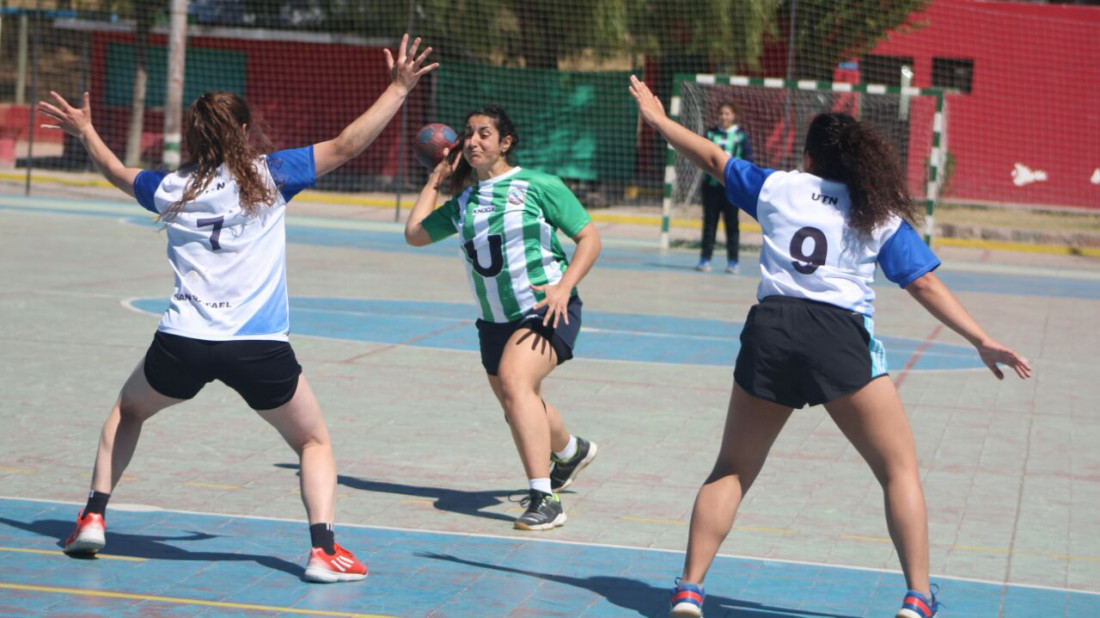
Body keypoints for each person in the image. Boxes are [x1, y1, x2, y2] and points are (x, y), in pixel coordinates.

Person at [38, 34, 437, 583]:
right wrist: (398, 88)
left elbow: (115, 172)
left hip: (183, 342)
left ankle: (93, 518)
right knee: (312, 441)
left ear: (195, 137)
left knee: (128, 412)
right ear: (245, 132)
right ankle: (323, 551)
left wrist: (85, 131)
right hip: (257, 346)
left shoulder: (170, 187)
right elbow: (347, 144)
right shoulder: (273, 176)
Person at [629, 75, 1031, 618]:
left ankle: (689, 591)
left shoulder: (779, 187)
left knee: (731, 468)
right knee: (898, 471)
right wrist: (981, 339)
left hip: (771, 331)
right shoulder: (876, 212)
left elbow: (711, 156)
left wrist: (658, 121)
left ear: (811, 156)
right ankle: (917, 598)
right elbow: (924, 283)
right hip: (838, 337)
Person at [404, 105, 602, 531]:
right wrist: (435, 181)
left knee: (515, 383)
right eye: (468, 134)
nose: (473, 141)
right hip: (493, 320)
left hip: (546, 307)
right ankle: (570, 451)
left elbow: (589, 238)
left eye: (484, 134)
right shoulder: (464, 202)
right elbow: (415, 234)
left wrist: (564, 286)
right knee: (518, 402)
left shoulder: (537, 185)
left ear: (505, 143)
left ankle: (544, 498)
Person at [697, 101, 752, 274]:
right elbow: (702, 154)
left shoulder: (740, 136)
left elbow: (748, 159)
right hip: (711, 187)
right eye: (721, 113)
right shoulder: (711, 134)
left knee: (732, 224)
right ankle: (705, 259)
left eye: (727, 113)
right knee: (709, 223)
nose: (724, 116)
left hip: (731, 188)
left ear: (734, 115)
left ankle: (733, 261)